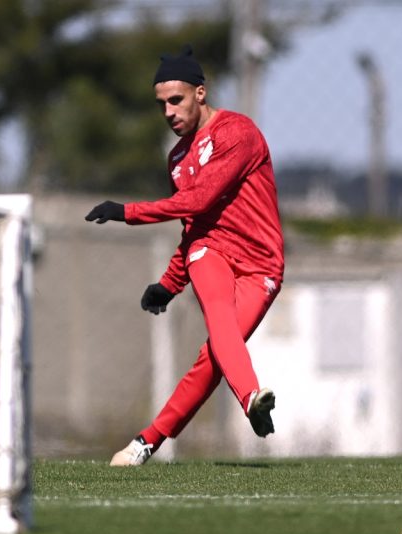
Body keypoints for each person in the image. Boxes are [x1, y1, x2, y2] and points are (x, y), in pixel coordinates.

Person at [84, 45, 285, 467]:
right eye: (162, 105)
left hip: (261, 265)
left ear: (200, 93)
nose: (169, 112)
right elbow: (194, 225)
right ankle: (251, 397)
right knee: (218, 312)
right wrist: (170, 283)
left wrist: (126, 212)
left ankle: (148, 440)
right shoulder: (178, 158)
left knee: (214, 356)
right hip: (209, 252)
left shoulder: (238, 133)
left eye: (176, 100)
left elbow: (198, 200)